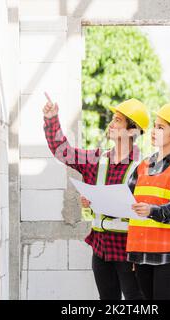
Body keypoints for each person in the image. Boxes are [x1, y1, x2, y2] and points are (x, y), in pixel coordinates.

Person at [42, 92, 147, 300]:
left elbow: (147, 211)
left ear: (132, 130)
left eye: (118, 120)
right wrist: (51, 119)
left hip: (130, 253)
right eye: (113, 119)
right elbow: (63, 152)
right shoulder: (97, 159)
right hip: (101, 250)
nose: (111, 124)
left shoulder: (144, 167)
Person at [127, 101, 170, 300]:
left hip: (167, 255)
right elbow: (125, 199)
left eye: (160, 127)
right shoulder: (143, 166)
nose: (154, 131)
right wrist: (95, 202)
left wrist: (151, 210)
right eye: (154, 126)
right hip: (140, 252)